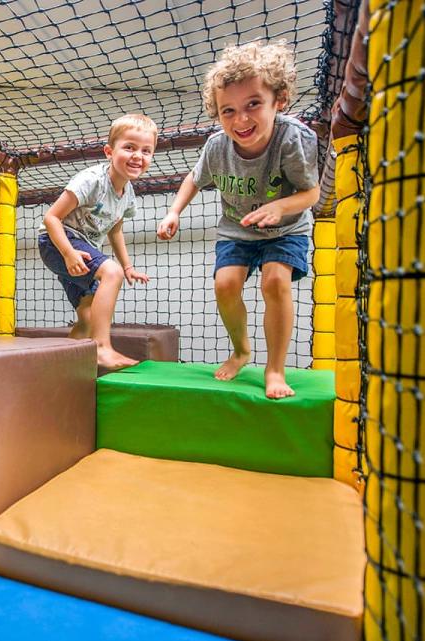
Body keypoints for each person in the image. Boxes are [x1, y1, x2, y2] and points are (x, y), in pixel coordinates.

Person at [156, 42, 320, 398]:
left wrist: (281, 207)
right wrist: (174, 211)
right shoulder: (217, 147)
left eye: (253, 105)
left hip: (286, 228)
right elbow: (193, 179)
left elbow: (312, 193)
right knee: (225, 285)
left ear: (279, 99)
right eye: (228, 110)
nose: (241, 120)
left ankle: (275, 369)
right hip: (237, 230)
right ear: (217, 112)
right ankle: (242, 350)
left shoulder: (292, 139)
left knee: (275, 282)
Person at [39, 114, 155, 371]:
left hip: (85, 251)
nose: (138, 156)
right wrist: (69, 253)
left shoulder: (128, 194)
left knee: (87, 318)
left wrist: (128, 267)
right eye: (129, 147)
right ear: (109, 151)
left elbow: (115, 230)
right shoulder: (92, 180)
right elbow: (51, 218)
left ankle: (62, 371)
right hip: (57, 241)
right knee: (109, 273)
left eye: (146, 151)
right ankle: (102, 347)